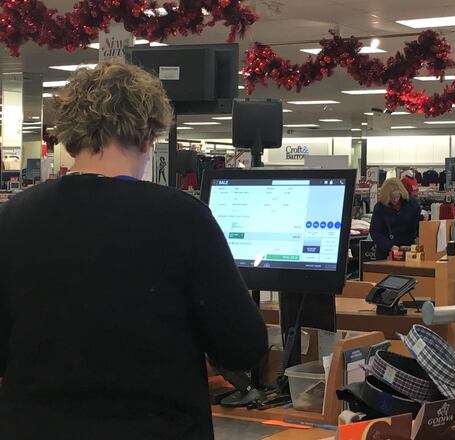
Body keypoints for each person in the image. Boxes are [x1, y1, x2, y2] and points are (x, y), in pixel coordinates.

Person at [0, 63, 269, 439]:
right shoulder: (183, 218)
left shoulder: (11, 217)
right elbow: (243, 347)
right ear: (147, 136)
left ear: (70, 136)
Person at [370, 177, 421, 260]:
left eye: (397, 196)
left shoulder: (412, 203)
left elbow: (419, 224)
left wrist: (418, 240)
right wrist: (389, 246)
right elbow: (375, 232)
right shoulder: (380, 207)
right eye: (392, 198)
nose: (395, 200)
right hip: (387, 253)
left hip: (409, 250)